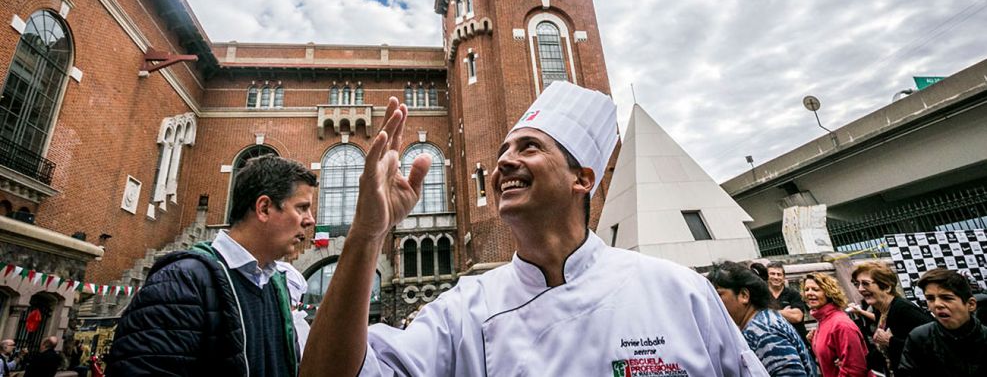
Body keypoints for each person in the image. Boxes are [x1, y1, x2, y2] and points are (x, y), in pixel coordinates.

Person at [300, 82, 768, 376]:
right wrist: (367, 234)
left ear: (582, 179)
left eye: (529, 147)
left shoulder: (679, 292)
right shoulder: (464, 312)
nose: (504, 161)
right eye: (504, 149)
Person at [107, 155, 317, 376]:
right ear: (264, 208)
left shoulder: (277, 288)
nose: (310, 220)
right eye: (302, 208)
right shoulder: (181, 282)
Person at [708, 261, 819, 376]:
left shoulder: (763, 331)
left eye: (719, 295)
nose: (713, 302)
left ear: (744, 295)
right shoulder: (759, 322)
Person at [897, 268, 987, 376]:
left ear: (971, 304)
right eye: (930, 298)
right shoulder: (919, 338)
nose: (937, 304)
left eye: (947, 298)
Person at [850, 261, 931, 374]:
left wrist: (891, 341)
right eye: (857, 284)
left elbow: (932, 346)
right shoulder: (880, 311)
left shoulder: (904, 309)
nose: (860, 289)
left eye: (865, 283)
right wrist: (853, 362)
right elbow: (882, 354)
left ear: (886, 287)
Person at [802, 273, 871, 377]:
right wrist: (815, 342)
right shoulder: (823, 321)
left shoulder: (841, 324)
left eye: (815, 289)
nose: (809, 293)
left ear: (829, 293)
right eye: (806, 289)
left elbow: (855, 370)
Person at [766, 261, 810, 346]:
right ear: (767, 276)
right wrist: (786, 312)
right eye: (772, 274)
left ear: (784, 277)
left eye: (779, 274)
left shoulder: (793, 294)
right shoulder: (762, 295)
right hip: (775, 343)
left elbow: (797, 317)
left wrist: (769, 312)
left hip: (798, 342)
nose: (776, 277)